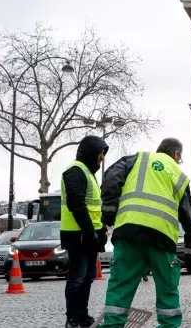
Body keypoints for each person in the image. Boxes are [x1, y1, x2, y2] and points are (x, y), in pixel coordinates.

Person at [99, 138, 191, 328]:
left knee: (120, 286)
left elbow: (111, 178)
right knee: (167, 290)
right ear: (176, 154)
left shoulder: (136, 159)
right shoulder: (178, 175)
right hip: (162, 239)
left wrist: (108, 213)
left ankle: (112, 325)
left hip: (128, 233)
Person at [60, 135, 109, 328]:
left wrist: (100, 229)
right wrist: (91, 232)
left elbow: (93, 208)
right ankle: (72, 318)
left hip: (88, 234)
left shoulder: (88, 173)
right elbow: (77, 205)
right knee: (78, 278)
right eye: (100, 153)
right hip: (78, 235)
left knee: (86, 278)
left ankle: (82, 316)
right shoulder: (75, 171)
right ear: (90, 152)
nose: (102, 158)